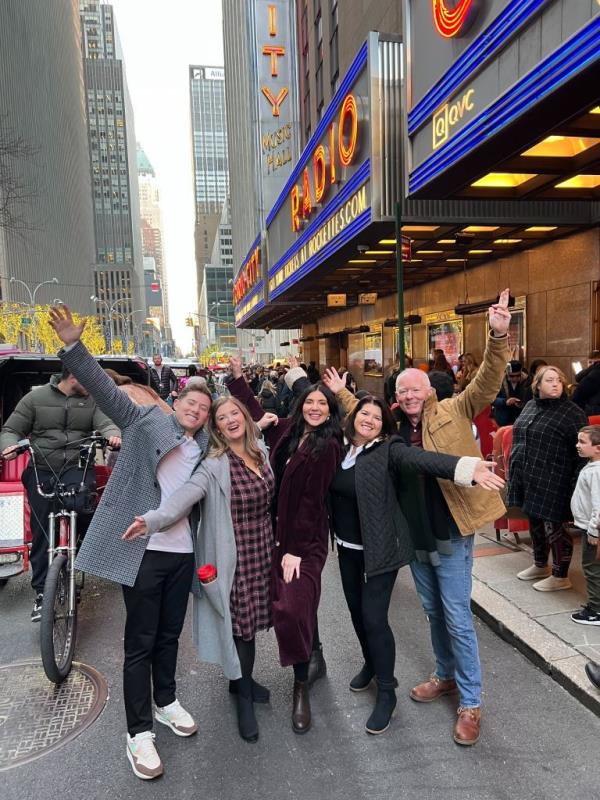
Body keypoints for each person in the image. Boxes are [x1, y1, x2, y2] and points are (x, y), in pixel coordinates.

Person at [325, 288, 513, 746]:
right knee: (432, 611)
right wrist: (341, 396)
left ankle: (470, 702)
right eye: (401, 389)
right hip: (414, 535)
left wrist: (498, 336)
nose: (408, 395)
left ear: (429, 389)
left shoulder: (453, 408)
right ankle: (444, 675)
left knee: (456, 614)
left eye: (415, 388)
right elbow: (363, 420)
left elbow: (488, 381)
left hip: (451, 529)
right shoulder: (389, 427)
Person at [48, 305, 214, 781]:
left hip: (182, 554)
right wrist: (73, 346)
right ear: (175, 401)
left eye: (202, 410)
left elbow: (238, 437)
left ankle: (166, 701)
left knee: (168, 637)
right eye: (190, 404)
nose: (195, 412)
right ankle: (137, 731)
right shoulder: (144, 422)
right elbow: (103, 388)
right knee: (138, 642)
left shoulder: (204, 446)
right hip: (141, 552)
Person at [123, 397, 277, 744]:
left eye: (234, 413)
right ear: (217, 428)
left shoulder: (261, 452)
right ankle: (243, 697)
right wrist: (151, 520)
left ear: (244, 417)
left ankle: (243, 683)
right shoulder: (213, 464)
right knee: (240, 627)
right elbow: (184, 498)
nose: (230, 420)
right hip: (231, 555)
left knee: (252, 621)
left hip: (262, 550)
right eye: (222, 418)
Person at [227, 355, 341, 735]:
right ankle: (315, 653)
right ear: (300, 405)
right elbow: (256, 414)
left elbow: (311, 503)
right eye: (310, 401)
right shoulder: (289, 430)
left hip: (304, 544)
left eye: (323, 403)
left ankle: (300, 685)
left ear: (330, 410)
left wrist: (292, 549)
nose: (314, 408)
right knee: (300, 604)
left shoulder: (328, 446)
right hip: (274, 537)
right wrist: (239, 380)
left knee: (290, 608)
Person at [0, 366, 121, 621]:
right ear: (73, 376)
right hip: (41, 468)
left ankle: (81, 554)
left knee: (86, 507)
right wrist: (9, 445)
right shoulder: (35, 398)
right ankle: (43, 592)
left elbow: (107, 423)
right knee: (41, 525)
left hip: (77, 468)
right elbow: (11, 429)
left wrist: (113, 435)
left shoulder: (92, 401)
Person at [508, 366, 587, 592]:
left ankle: (560, 576)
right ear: (538, 385)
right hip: (530, 475)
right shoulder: (531, 405)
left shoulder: (572, 412)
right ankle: (540, 564)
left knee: (555, 526)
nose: (555, 384)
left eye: (559, 381)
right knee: (534, 520)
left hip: (557, 478)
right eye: (550, 380)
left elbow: (580, 452)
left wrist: (576, 485)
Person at [570, 425, 600, 625]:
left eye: (582, 442)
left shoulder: (596, 472)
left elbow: (599, 503)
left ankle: (596, 610)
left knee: (591, 567)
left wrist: (593, 529)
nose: (577, 445)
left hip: (593, 531)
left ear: (598, 447)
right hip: (591, 527)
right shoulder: (591, 468)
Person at [492, 360, 528, 426]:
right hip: (503, 419)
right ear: (507, 374)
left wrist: (521, 403)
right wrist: (505, 401)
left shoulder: (526, 381)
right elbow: (492, 400)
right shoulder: (499, 381)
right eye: (512, 376)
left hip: (520, 419)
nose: (515, 378)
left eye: (517, 376)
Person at [573, 351, 600, 415]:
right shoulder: (587, 373)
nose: (592, 364)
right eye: (590, 362)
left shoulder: (595, 373)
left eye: (596, 363)